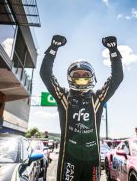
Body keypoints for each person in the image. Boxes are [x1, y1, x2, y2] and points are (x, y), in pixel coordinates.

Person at [40, 35, 123, 181]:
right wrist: (53, 48)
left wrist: (113, 51)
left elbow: (117, 77)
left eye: (85, 74)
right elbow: (46, 75)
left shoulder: (97, 98)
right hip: (69, 159)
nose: (81, 77)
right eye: (77, 74)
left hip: (92, 161)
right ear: (70, 77)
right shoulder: (63, 97)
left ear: (91, 77)